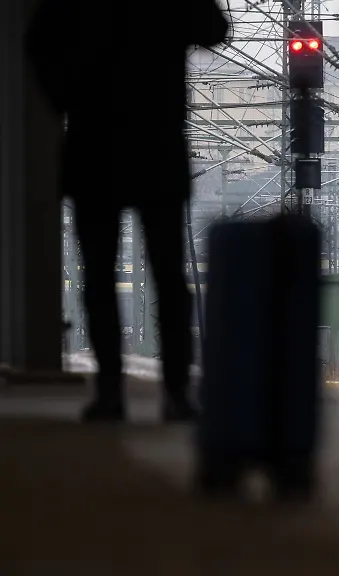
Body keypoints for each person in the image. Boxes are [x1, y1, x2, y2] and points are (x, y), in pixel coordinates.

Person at [24, 0, 231, 422]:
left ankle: (110, 394)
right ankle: (176, 394)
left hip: (93, 146)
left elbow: (37, 42)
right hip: (156, 145)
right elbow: (213, 28)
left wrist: (62, 96)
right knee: (169, 278)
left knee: (98, 277)